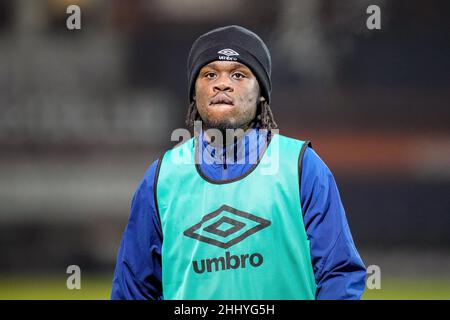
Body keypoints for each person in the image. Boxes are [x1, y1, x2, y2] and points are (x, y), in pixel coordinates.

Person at [111, 25, 366, 300]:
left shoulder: (301, 167)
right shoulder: (162, 178)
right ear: (194, 94)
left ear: (262, 94)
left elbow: (338, 273)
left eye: (239, 74)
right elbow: (133, 288)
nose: (222, 83)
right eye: (209, 74)